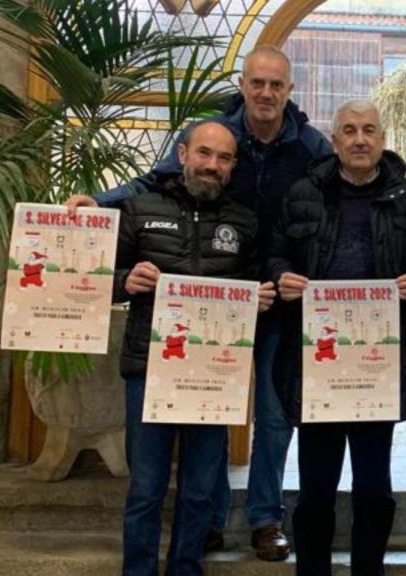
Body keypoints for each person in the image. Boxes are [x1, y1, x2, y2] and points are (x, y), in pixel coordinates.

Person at [67, 45, 332, 561]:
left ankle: (264, 518)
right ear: (243, 83)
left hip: (271, 293)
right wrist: (98, 202)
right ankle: (208, 521)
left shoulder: (311, 145)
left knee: (274, 417)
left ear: (289, 91)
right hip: (203, 306)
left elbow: (332, 207)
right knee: (208, 411)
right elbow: (151, 183)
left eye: (276, 84)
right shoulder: (213, 133)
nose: (265, 92)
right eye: (257, 82)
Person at [267, 99, 406, 576]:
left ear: (382, 138)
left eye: (369, 129)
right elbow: (275, 256)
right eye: (349, 130)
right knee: (316, 489)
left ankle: (369, 570)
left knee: (373, 488)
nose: (360, 139)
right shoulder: (303, 193)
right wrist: (283, 278)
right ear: (335, 139)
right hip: (317, 362)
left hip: (376, 365)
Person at [114, 121, 276, 575]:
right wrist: (123, 281)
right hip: (150, 370)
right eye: (205, 154)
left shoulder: (244, 221)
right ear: (183, 154)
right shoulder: (139, 207)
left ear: (232, 166)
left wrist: (258, 298)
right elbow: (102, 279)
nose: (213, 166)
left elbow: (253, 285)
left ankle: (186, 567)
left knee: (201, 486)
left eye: (224, 158)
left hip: (213, 373)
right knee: (146, 486)